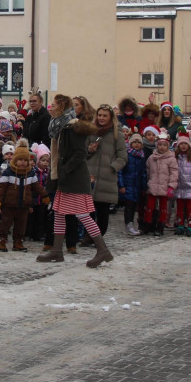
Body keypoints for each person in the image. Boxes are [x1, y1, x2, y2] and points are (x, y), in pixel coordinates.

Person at [37, 94, 113, 267]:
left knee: (83, 215)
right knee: (59, 212)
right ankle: (56, 250)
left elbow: (79, 153)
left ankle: (103, 250)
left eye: (54, 104)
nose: (50, 106)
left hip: (74, 179)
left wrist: (65, 171)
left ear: (62, 106)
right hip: (65, 177)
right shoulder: (61, 126)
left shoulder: (72, 127)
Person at [0, 141, 46, 252]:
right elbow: (1, 188)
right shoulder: (8, 172)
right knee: (5, 224)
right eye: (20, 160)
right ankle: (1, 241)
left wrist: (44, 195)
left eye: (25, 160)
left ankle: (18, 242)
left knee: (21, 226)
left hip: (24, 205)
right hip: (9, 204)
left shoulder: (31, 173)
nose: (22, 162)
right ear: (15, 160)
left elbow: (37, 187)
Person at [87, 103, 128, 237]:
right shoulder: (91, 131)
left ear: (111, 117)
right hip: (91, 176)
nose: (101, 118)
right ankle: (89, 236)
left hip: (107, 177)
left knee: (103, 211)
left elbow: (123, 157)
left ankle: (98, 237)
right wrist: (89, 150)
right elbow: (83, 152)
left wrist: (112, 167)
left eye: (105, 115)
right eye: (99, 115)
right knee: (89, 211)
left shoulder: (117, 134)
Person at [144, 131, 178, 237]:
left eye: (164, 145)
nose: (162, 147)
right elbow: (148, 170)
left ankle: (160, 226)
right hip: (153, 185)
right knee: (150, 206)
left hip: (164, 186)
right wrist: (148, 181)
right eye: (160, 145)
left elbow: (174, 173)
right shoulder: (151, 158)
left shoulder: (171, 159)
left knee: (163, 207)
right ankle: (148, 224)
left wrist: (171, 186)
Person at [118, 133, 147, 236]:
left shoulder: (142, 156)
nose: (136, 144)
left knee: (134, 206)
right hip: (127, 184)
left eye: (139, 142)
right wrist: (121, 185)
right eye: (134, 142)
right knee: (128, 206)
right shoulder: (126, 155)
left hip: (137, 186)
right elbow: (120, 171)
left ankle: (131, 224)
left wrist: (144, 187)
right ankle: (128, 224)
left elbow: (143, 173)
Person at [172, 133, 191, 236]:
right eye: (181, 143)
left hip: (189, 186)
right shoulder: (175, 157)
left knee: (189, 207)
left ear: (189, 145)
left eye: (185, 143)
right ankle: (180, 225)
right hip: (178, 186)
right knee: (179, 207)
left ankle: (190, 226)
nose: (183, 146)